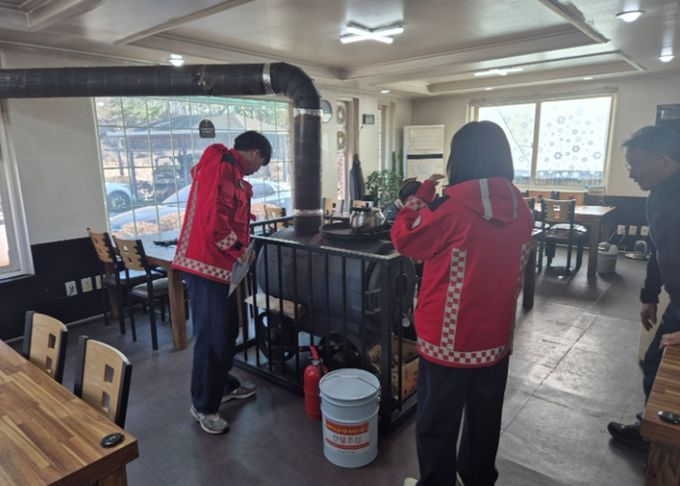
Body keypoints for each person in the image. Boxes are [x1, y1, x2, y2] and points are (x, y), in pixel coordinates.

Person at [392, 121, 533, 486]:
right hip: (495, 337)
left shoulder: (451, 210)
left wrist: (420, 196)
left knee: (437, 421)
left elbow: (405, 240)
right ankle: (478, 479)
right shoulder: (521, 209)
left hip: (447, 338)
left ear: (462, 159)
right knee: (485, 418)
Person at [172, 131, 272, 434]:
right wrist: (241, 250)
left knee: (227, 330)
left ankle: (222, 385)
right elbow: (214, 222)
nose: (257, 171)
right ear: (255, 153)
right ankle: (203, 405)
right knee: (211, 336)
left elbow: (226, 215)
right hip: (205, 266)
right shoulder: (223, 166)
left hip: (220, 268)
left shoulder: (230, 170)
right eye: (260, 164)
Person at [607, 125, 680, 450]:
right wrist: (649, 296)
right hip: (676, 302)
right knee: (655, 362)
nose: (631, 174)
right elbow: (657, 249)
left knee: (659, 363)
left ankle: (658, 438)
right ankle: (652, 432)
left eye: (635, 165)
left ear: (664, 161)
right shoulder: (658, 197)